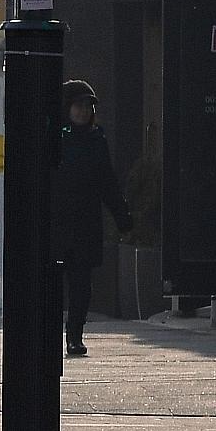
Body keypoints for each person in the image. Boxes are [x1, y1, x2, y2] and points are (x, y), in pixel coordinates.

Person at [51, 80, 132, 357]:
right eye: (78, 105)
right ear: (67, 107)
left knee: (81, 283)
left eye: (88, 106)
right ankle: (52, 333)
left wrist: (122, 216)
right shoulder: (55, 138)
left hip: (86, 221)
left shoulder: (97, 139)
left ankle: (75, 334)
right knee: (53, 280)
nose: (83, 111)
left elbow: (107, 180)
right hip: (57, 221)